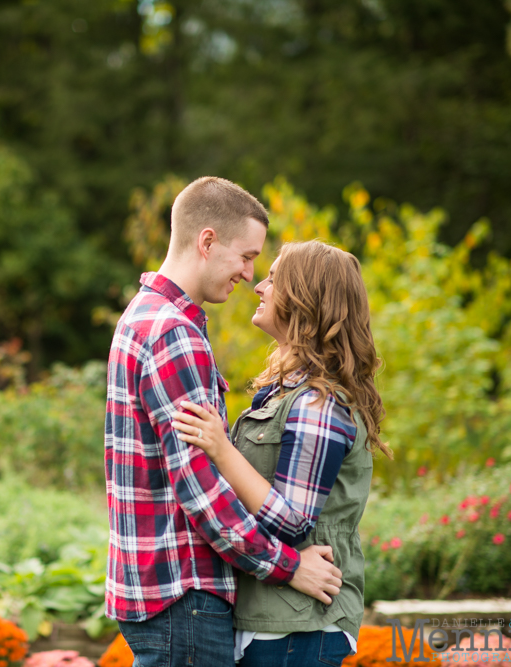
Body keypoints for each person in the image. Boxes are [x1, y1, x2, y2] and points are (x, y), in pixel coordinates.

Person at [105, 178, 344, 667]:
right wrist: (289, 567)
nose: (250, 274)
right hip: (185, 592)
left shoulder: (141, 316)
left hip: (159, 590)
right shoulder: (175, 334)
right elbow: (202, 493)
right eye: (246, 255)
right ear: (207, 240)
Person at [171, 240, 392, 667]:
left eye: (274, 278)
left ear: (305, 298)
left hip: (301, 627)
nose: (259, 286)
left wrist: (221, 449)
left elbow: (291, 521)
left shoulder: (319, 403)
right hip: (277, 621)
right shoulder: (286, 393)